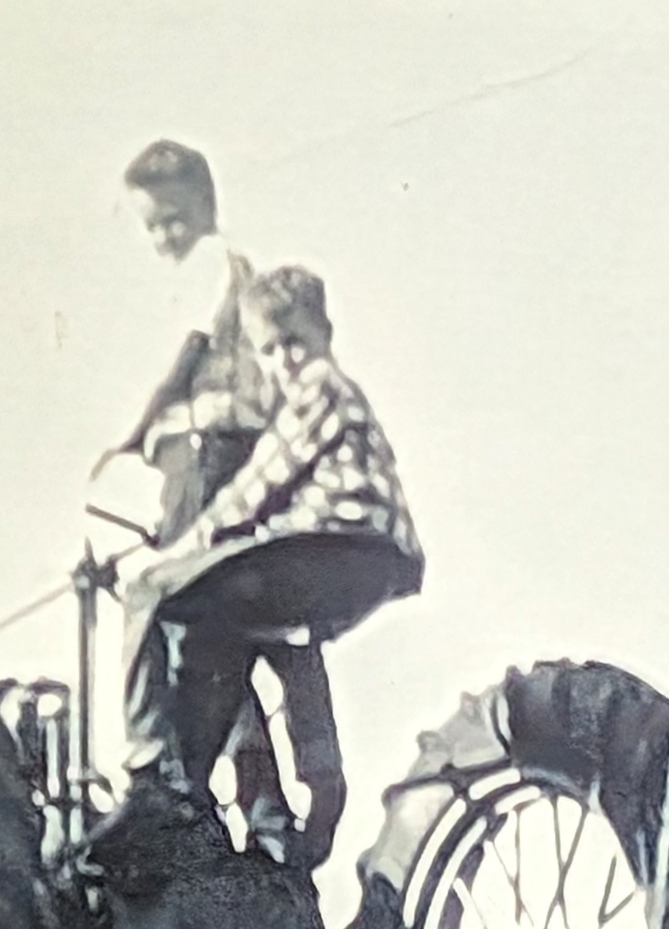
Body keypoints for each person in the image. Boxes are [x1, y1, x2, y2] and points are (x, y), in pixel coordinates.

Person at [89, 265, 423, 874]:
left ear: (325, 332)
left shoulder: (321, 389)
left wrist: (179, 554)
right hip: (352, 556)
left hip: (341, 543)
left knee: (148, 593)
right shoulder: (325, 397)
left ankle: (148, 775)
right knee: (245, 630)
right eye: (269, 350)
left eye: (295, 341)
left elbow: (253, 490)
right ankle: (302, 781)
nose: (285, 360)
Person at [96, 140, 272, 540]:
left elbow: (179, 361)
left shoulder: (209, 258)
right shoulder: (233, 265)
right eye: (152, 226)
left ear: (208, 205)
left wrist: (126, 438)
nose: (163, 238)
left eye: (174, 220)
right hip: (232, 436)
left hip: (207, 441)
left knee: (185, 555)